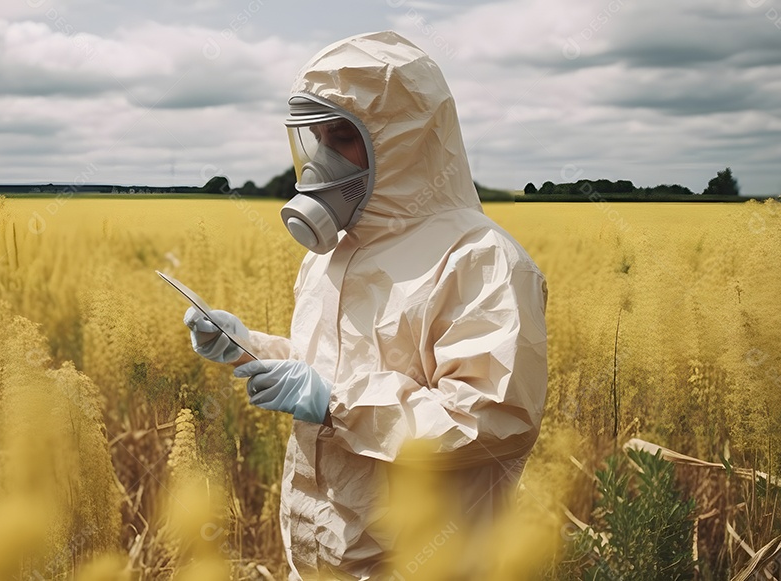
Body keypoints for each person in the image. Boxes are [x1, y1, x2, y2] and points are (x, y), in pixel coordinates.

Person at [184, 30, 548, 579]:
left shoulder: (481, 259)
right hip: (320, 558)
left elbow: (491, 420)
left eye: (344, 137)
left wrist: (335, 403)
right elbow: (329, 367)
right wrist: (245, 347)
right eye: (318, 137)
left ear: (403, 138)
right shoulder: (334, 252)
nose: (326, 156)